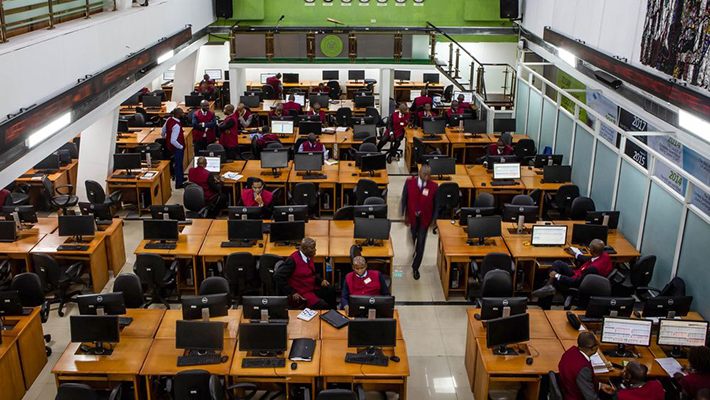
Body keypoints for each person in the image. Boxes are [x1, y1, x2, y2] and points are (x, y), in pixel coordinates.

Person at [532, 239, 613, 309]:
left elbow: (577, 282)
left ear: (593, 250)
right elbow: (591, 260)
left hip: (577, 283)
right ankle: (548, 286)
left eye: (589, 248)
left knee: (554, 281)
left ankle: (544, 307)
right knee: (558, 263)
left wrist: (557, 276)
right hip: (578, 274)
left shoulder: (592, 269)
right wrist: (576, 255)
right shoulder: (604, 256)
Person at [273, 237, 336, 310]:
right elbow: (277, 276)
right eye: (312, 248)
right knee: (323, 306)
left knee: (330, 289)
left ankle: (334, 313)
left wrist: (320, 281)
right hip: (301, 292)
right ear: (304, 248)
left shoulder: (308, 256)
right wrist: (292, 292)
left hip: (310, 287)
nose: (315, 250)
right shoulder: (292, 260)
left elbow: (311, 274)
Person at [401, 164, 438, 280]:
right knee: (413, 238)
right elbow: (404, 199)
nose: (426, 177)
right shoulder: (409, 183)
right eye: (424, 175)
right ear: (419, 173)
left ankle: (415, 267)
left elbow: (436, 204)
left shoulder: (434, 186)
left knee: (421, 242)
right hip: (412, 217)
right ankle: (415, 250)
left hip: (425, 219)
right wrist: (403, 214)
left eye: (428, 175)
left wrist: (434, 219)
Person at [559, 332, 615, 400]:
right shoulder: (583, 369)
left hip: (567, 391)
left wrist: (600, 385)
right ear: (593, 348)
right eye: (597, 344)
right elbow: (591, 398)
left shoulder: (569, 352)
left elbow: (582, 381)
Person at [161, 108, 185, 188]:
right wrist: (181, 147)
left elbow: (163, 130)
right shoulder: (176, 126)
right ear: (178, 114)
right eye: (181, 113)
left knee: (179, 164)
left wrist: (164, 137)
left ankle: (181, 178)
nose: (183, 114)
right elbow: (173, 141)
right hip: (177, 149)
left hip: (169, 147)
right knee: (178, 165)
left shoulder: (169, 119)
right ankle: (179, 183)